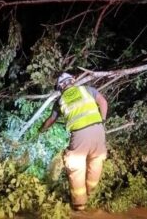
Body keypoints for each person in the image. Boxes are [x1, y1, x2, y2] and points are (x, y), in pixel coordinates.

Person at [40, 72, 108, 211]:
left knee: (76, 167)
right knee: (96, 161)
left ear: (59, 87)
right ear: (73, 81)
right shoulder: (87, 90)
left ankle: (79, 205)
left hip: (80, 136)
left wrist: (41, 130)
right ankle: (91, 193)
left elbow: (51, 120)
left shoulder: (60, 101)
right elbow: (103, 102)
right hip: (99, 131)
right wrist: (102, 120)